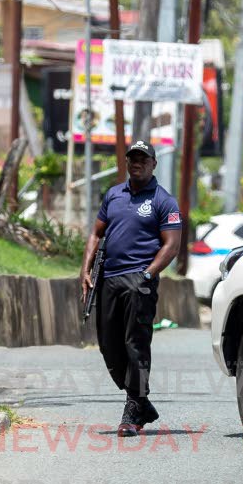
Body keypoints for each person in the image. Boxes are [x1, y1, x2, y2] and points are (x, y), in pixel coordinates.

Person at [81, 140, 182, 436]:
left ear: (153, 164)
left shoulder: (164, 201)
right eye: (132, 158)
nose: (137, 163)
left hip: (140, 281)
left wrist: (148, 276)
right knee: (108, 347)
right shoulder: (113, 195)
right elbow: (96, 233)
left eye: (143, 159)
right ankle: (142, 401)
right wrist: (85, 270)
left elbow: (172, 245)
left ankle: (133, 408)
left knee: (135, 345)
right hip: (108, 279)